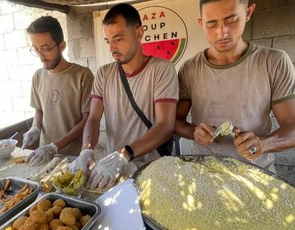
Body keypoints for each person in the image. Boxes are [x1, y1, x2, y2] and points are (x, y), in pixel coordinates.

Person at [175, 0, 295, 173]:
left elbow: (292, 125)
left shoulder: (274, 62)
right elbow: (175, 120)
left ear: (248, 12)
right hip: (204, 175)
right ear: (201, 23)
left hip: (255, 176)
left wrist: (264, 144)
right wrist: (193, 132)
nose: (221, 32)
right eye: (211, 23)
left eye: (231, 20)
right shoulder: (190, 69)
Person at [69, 3, 178, 189]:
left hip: (151, 168)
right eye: (108, 41)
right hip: (113, 171)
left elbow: (165, 126)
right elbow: (94, 117)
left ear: (138, 33)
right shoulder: (104, 74)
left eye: (118, 38)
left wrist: (125, 154)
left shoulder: (162, 69)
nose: (112, 47)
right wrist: (86, 149)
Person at [22, 16, 94, 166]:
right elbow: (39, 109)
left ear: (62, 46)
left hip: (72, 158)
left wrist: (55, 146)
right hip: (43, 157)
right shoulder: (38, 76)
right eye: (36, 49)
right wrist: (35, 127)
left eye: (46, 49)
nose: (41, 56)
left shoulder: (83, 75)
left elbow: (87, 120)